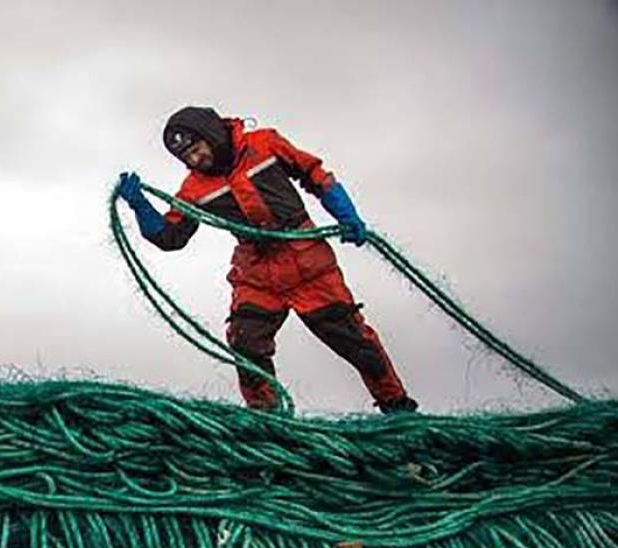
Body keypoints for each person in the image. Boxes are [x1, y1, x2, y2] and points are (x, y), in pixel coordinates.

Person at [117, 106, 418, 413]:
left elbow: (315, 175)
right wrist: (140, 205)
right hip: (257, 276)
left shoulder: (265, 144)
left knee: (356, 343)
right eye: (187, 158)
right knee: (245, 343)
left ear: (212, 136)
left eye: (197, 150)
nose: (195, 160)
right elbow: (170, 237)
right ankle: (266, 417)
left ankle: (397, 406)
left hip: (310, 266)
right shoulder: (194, 190)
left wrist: (346, 214)